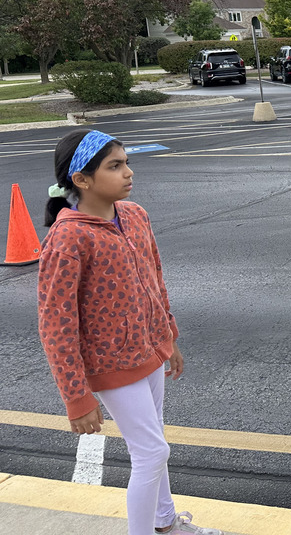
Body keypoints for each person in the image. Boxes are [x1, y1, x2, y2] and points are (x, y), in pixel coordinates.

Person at [37, 129, 221, 535]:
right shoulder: (68, 238)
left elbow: (154, 279)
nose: (128, 173)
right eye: (114, 166)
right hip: (109, 364)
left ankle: (166, 524)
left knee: (153, 446)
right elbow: (56, 322)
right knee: (152, 452)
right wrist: (76, 395)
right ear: (81, 180)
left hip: (148, 353)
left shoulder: (134, 215)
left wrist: (167, 337)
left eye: (126, 162)